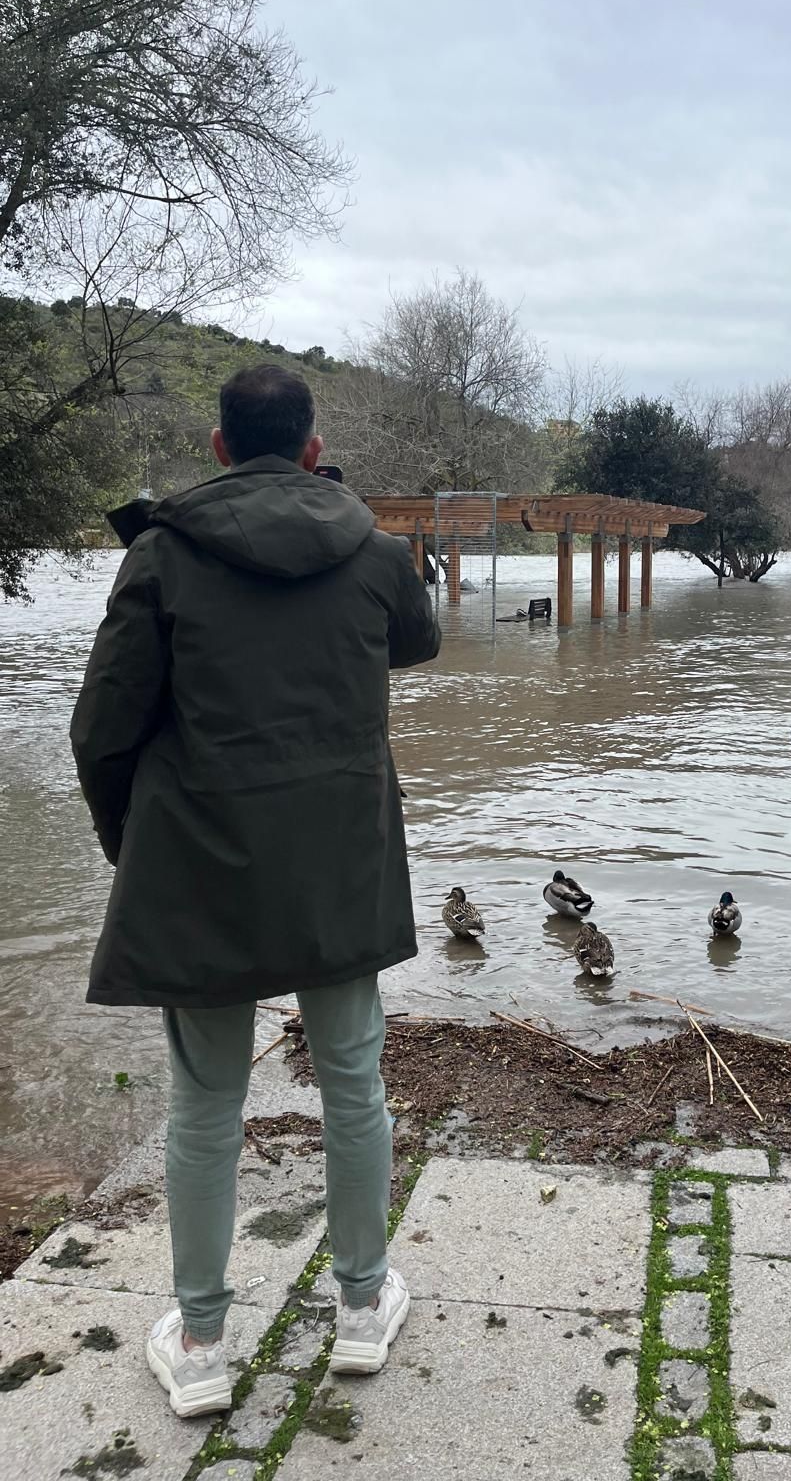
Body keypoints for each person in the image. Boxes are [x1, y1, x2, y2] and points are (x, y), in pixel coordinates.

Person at [70, 364, 440, 1417]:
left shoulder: (161, 555)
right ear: (313, 448)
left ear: (221, 448)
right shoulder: (372, 549)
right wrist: (346, 512)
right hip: (340, 865)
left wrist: (127, 842)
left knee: (204, 1103)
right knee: (353, 1082)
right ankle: (363, 1308)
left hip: (202, 866)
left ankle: (199, 1339)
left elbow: (101, 728)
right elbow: (415, 639)